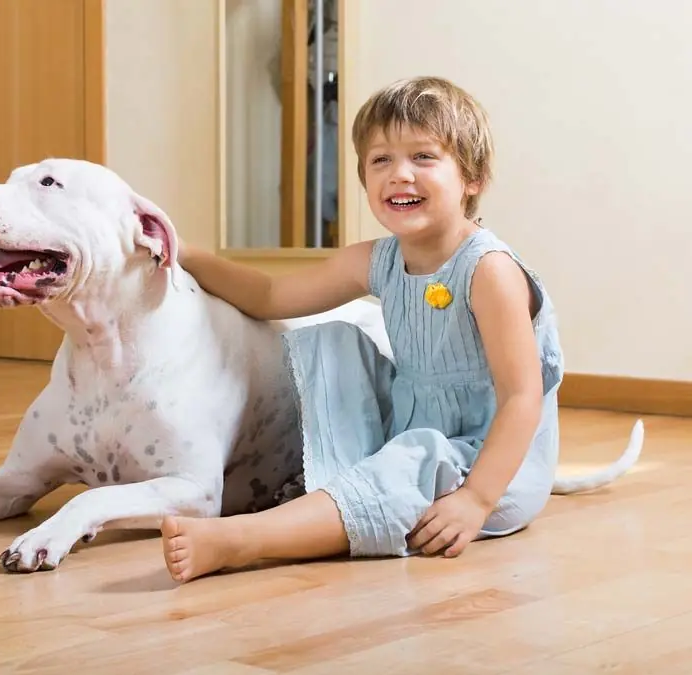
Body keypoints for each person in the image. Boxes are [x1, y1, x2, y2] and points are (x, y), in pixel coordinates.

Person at [161, 75, 565, 583]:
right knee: (335, 342)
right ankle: (338, 495)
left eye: (423, 157)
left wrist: (475, 500)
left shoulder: (489, 271)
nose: (399, 174)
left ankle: (245, 540)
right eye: (381, 160)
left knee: (415, 458)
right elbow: (270, 297)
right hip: (413, 427)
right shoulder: (378, 259)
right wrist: (190, 256)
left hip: (489, 463)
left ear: (472, 177)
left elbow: (521, 399)